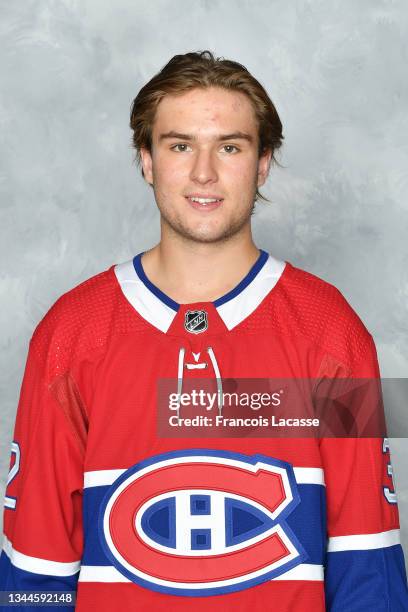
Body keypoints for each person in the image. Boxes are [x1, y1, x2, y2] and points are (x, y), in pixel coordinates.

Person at [1, 50, 407, 611]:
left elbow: (369, 569)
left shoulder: (331, 331)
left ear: (264, 163)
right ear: (146, 159)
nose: (204, 173)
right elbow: (34, 574)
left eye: (231, 147)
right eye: (179, 145)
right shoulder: (71, 332)